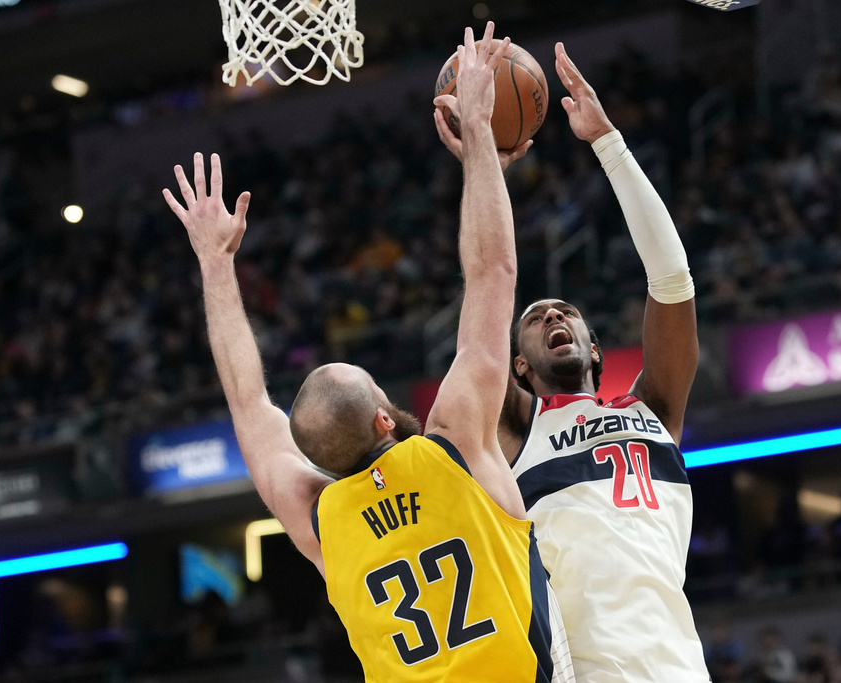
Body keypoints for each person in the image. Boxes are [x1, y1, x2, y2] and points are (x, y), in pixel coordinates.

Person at [163, 23, 572, 683]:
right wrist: (480, 148)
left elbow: (246, 403)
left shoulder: (319, 517)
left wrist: (215, 266)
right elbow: (493, 274)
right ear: (386, 417)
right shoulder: (453, 444)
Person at [437, 42, 708, 681]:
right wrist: (482, 158)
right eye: (534, 320)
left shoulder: (654, 407)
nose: (552, 317)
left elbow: (672, 278)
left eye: (565, 312)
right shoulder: (512, 429)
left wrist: (607, 141)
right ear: (520, 368)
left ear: (595, 348)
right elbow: (485, 289)